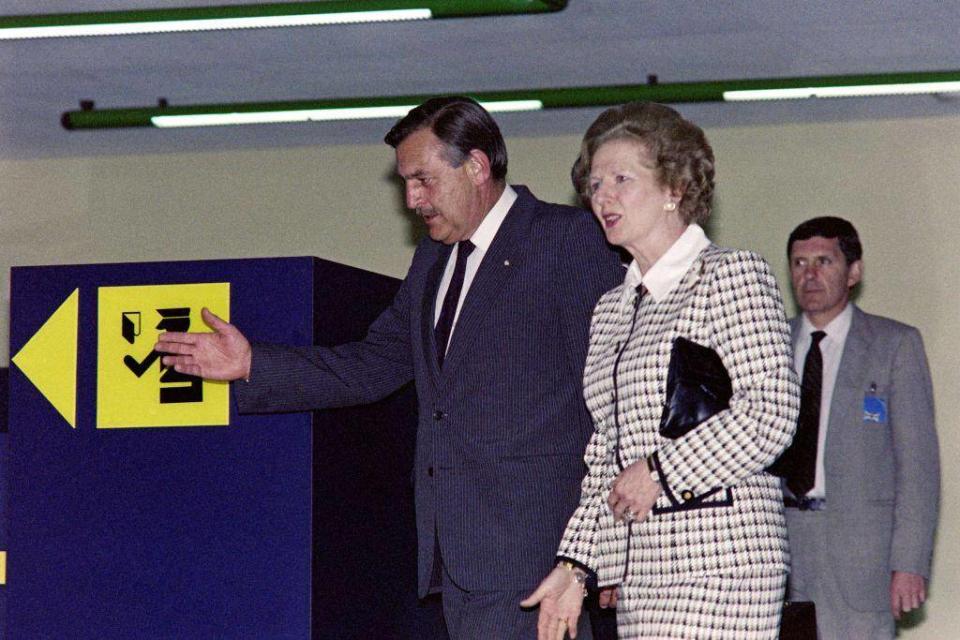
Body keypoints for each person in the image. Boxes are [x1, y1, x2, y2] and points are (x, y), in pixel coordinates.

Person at [156, 95, 623, 639]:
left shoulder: (564, 239)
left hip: (540, 550)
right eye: (405, 182)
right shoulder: (435, 257)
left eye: (422, 179)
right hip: (457, 554)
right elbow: (375, 364)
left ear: (475, 166)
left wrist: (603, 548)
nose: (411, 199)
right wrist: (251, 364)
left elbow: (610, 395)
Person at [522, 102, 799, 639]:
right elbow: (607, 450)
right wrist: (576, 566)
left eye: (622, 178)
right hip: (643, 570)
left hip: (725, 563)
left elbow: (771, 411)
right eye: (595, 184)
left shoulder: (729, 275)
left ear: (674, 187)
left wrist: (661, 473)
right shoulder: (611, 310)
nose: (603, 196)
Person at [769, 216, 940, 639]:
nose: (809, 275)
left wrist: (910, 563)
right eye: (799, 263)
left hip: (861, 556)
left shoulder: (893, 344)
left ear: (854, 271)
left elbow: (919, 467)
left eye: (824, 261)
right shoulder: (770, 344)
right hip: (779, 548)